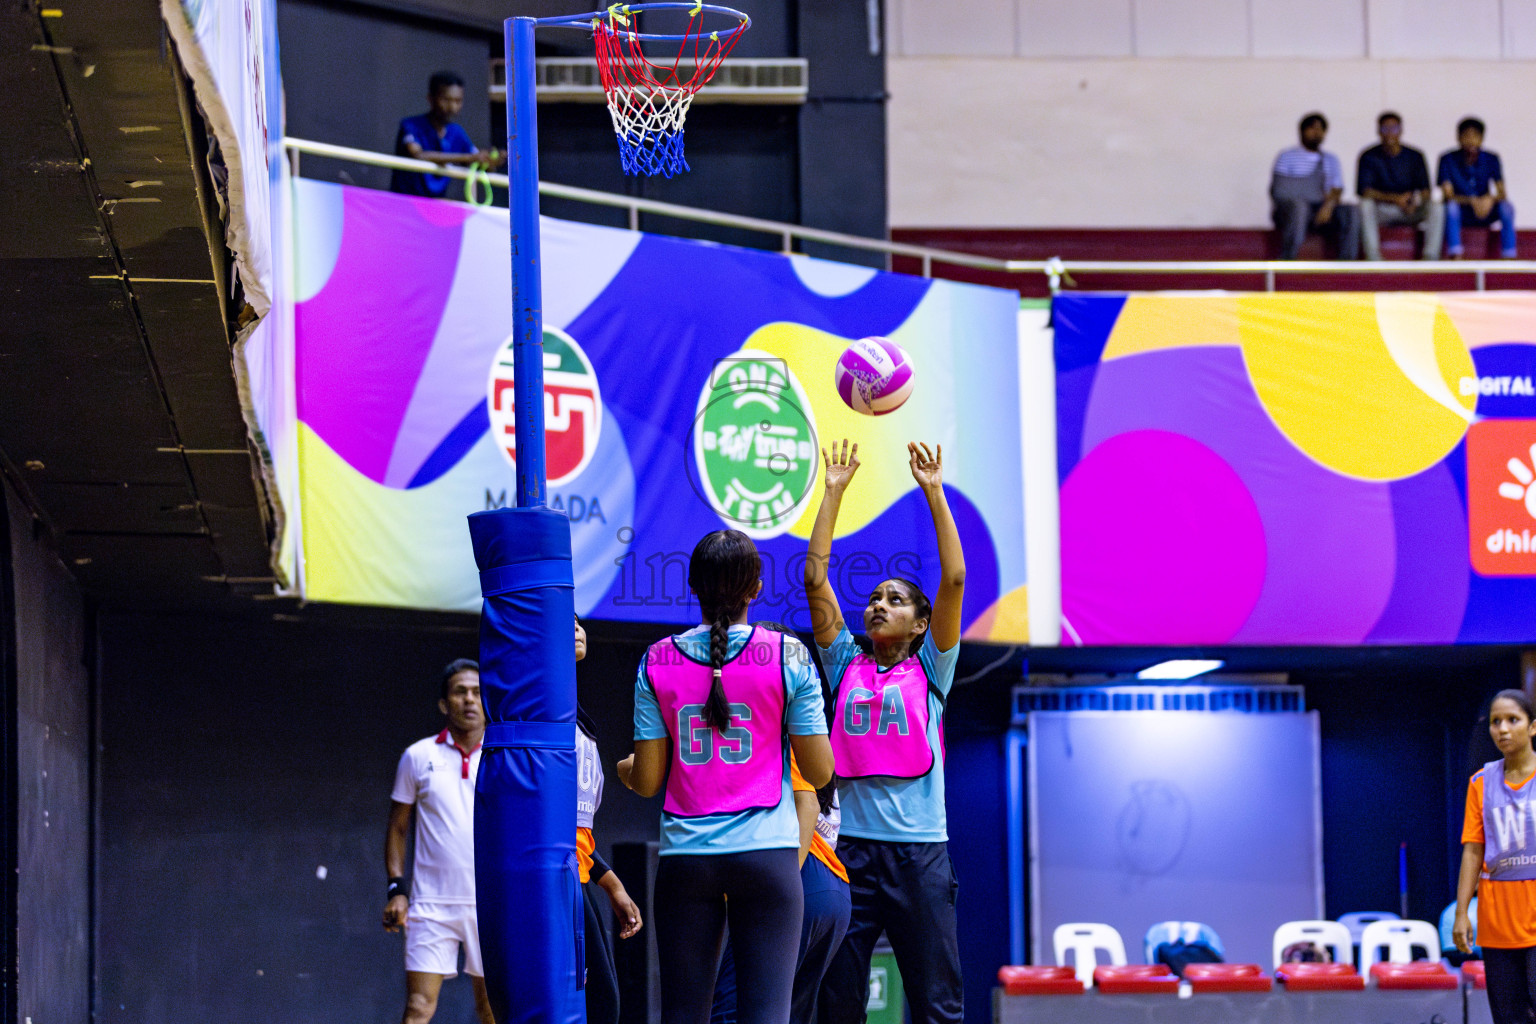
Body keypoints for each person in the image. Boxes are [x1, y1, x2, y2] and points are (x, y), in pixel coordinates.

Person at [618, 530, 834, 1024]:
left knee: (683, 1015)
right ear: (755, 589)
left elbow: (648, 782)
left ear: (692, 584)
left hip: (686, 861)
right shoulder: (789, 654)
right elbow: (820, 771)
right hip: (768, 859)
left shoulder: (656, 659)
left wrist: (624, 768)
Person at [807, 441, 966, 1024]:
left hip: (920, 857)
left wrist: (933, 492)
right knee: (838, 999)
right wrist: (833, 491)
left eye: (895, 601)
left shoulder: (931, 668)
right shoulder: (842, 661)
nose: (878, 605)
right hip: (849, 853)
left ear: (921, 623)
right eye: (874, 598)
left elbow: (953, 577)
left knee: (935, 1002)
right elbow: (815, 576)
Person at [708, 622, 852, 1024]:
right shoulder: (804, 728)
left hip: (797, 881)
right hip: (831, 893)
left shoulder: (778, 729)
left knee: (731, 1014)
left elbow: (805, 803)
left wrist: (781, 892)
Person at [383, 660, 495, 1024]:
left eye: (477, 692)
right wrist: (397, 889)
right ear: (444, 704)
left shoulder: (503, 757)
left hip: (490, 904)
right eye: (460, 692)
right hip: (431, 905)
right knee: (418, 1008)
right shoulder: (418, 756)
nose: (469, 700)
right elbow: (398, 829)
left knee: (491, 1011)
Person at [575, 615, 643, 1024]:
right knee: (596, 1006)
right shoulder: (532, 705)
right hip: (551, 878)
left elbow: (576, 825)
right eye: (562, 620)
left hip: (578, 875)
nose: (576, 626)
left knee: (602, 1005)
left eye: (578, 622)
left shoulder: (576, 715)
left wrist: (611, 882)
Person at [1454, 690, 1536, 1024]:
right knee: (1508, 1018)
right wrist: (1462, 912)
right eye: (1495, 722)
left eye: (1512, 720)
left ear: (1532, 727)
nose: (1502, 729)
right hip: (1497, 923)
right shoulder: (1481, 783)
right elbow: (1473, 851)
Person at [390, 71, 503, 199]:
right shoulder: (410, 125)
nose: (452, 107)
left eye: (458, 101)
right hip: (403, 205)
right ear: (431, 98)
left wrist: (492, 160)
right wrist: (470, 158)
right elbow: (418, 155)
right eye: (446, 100)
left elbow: (480, 164)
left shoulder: (456, 132)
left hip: (435, 211)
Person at [1270, 112, 1359, 260]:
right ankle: (1287, 260)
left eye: (1320, 129)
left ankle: (1347, 264)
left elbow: (1336, 189)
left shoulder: (1331, 159)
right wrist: (1313, 195)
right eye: (1311, 128)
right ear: (1302, 131)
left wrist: (1328, 206)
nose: (1316, 132)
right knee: (1300, 207)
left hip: (1322, 210)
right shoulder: (1287, 156)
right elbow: (1279, 191)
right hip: (1289, 211)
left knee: (1351, 211)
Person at [1357, 111, 1444, 260]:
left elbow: (1425, 191)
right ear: (1378, 131)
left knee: (1437, 206)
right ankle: (1373, 258)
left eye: (1394, 128)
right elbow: (1365, 192)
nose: (1390, 133)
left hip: (1411, 209)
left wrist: (1413, 201)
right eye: (1385, 129)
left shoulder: (1415, 155)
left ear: (1401, 130)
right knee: (1364, 206)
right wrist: (1396, 199)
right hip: (1383, 211)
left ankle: (1430, 257)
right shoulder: (1368, 156)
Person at [1438, 117, 1517, 259]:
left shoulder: (1491, 158)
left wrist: (1489, 200)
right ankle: (1455, 253)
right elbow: (1448, 195)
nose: (1471, 140)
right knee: (1451, 208)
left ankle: (1509, 255)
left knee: (1507, 207)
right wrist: (1472, 201)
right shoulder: (1447, 159)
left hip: (1485, 210)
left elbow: (1502, 192)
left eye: (1475, 136)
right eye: (1466, 135)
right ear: (1459, 137)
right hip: (1463, 210)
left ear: (1481, 138)